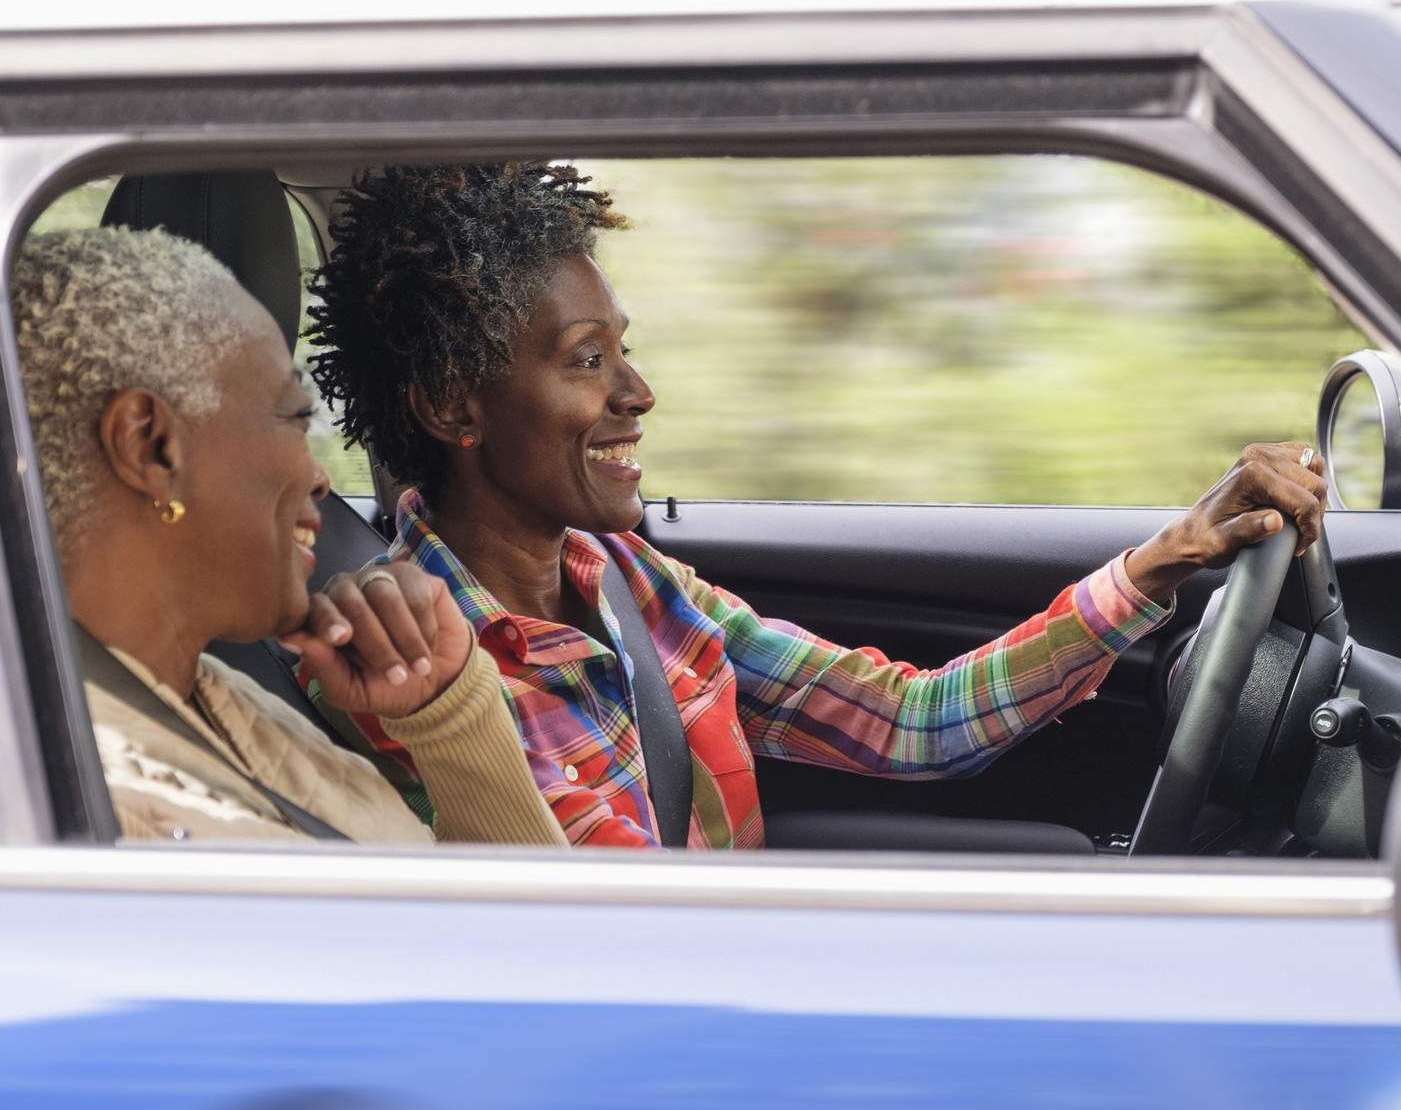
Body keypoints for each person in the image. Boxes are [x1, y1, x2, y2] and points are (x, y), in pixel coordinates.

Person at [306, 163, 1327, 849]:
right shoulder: (413, 670)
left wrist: (1167, 557)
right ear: (453, 405)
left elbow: (911, 719)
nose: (639, 391)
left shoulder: (628, 582)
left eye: (623, 346)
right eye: (586, 361)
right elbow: (604, 952)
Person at [9, 226, 562, 846]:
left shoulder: (224, 705)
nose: (320, 476)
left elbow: (506, 930)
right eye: (295, 417)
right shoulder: (106, 808)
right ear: (151, 447)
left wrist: (450, 714)